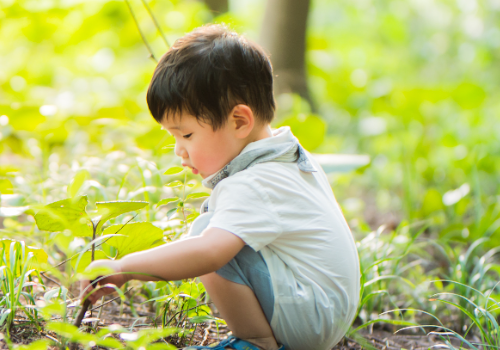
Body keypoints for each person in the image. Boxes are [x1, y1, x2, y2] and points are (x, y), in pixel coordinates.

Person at [80, 24, 360, 350]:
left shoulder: (255, 183)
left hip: (310, 318)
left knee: (210, 236)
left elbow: (209, 253)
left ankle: (255, 343)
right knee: (214, 229)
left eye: (186, 135)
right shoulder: (287, 157)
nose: (178, 150)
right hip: (321, 310)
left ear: (239, 122)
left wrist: (125, 268)